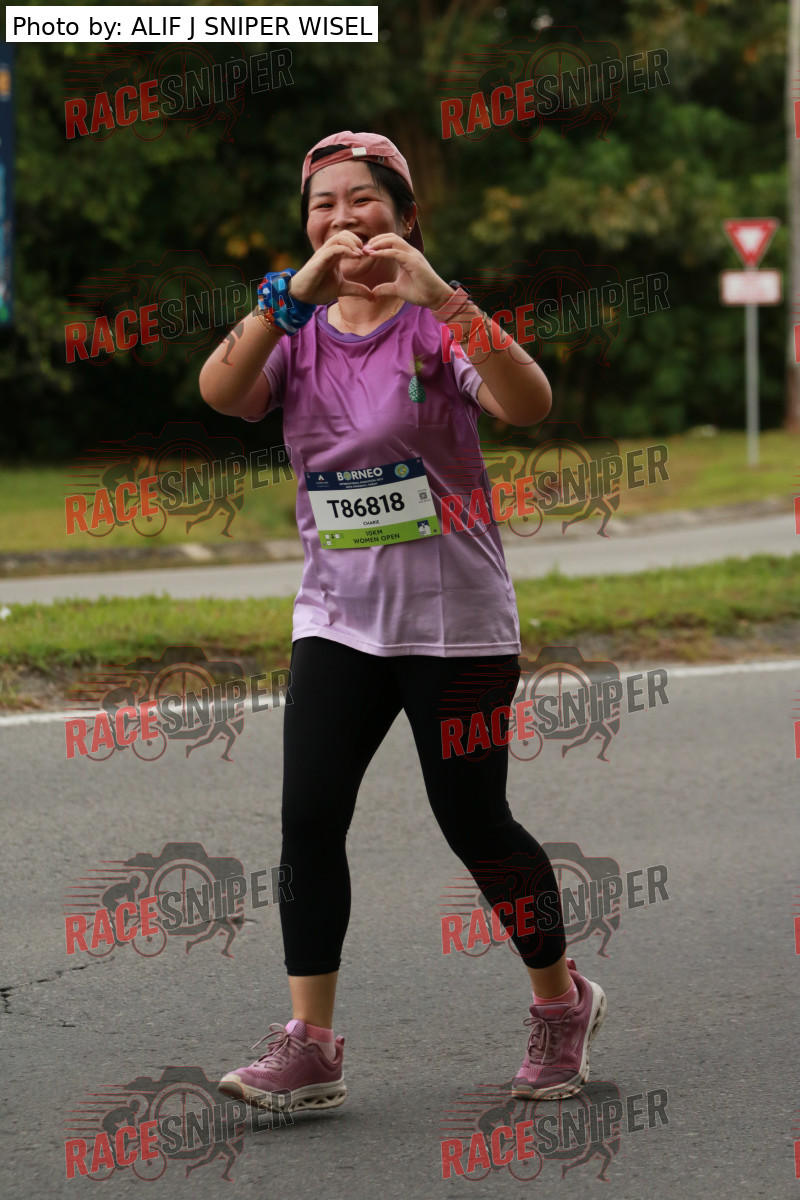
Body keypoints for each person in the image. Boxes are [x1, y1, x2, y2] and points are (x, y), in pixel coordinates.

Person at [199, 130, 607, 1116]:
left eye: (363, 200)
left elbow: (529, 403)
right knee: (308, 819)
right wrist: (285, 297)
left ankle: (561, 1005)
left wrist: (445, 299)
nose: (342, 218)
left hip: (454, 624)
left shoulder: (436, 325)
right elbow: (219, 391)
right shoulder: (291, 329)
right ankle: (310, 1044)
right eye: (322, 204)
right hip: (337, 620)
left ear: (405, 215)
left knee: (474, 822)